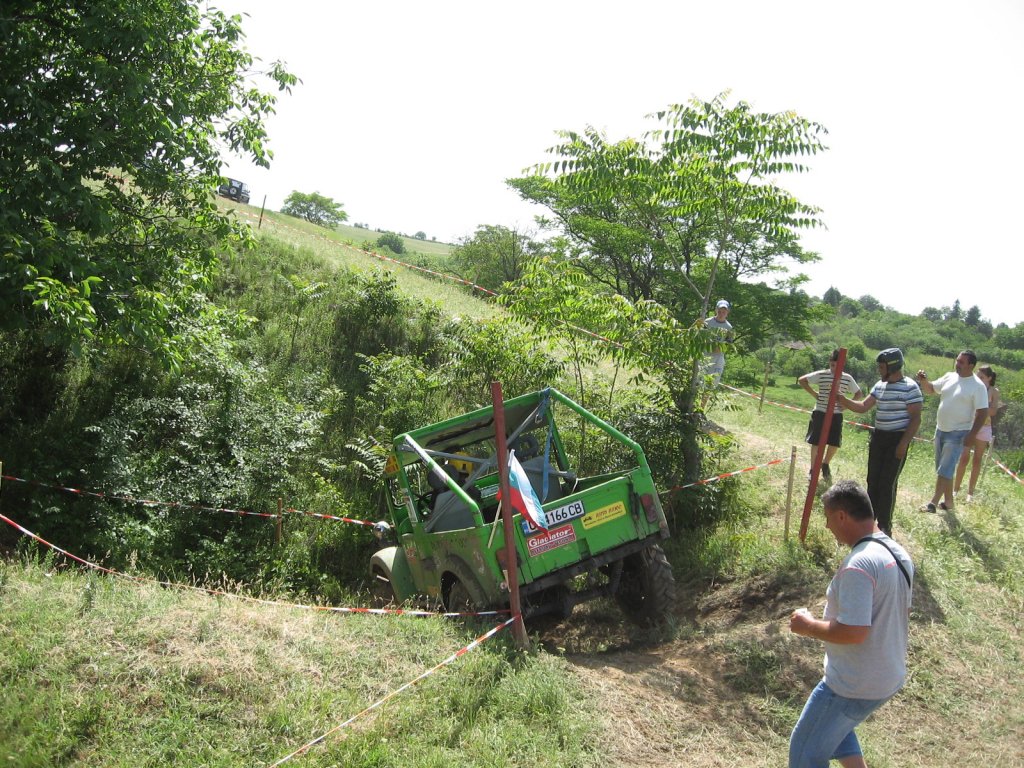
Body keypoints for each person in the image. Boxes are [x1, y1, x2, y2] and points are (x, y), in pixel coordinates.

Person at [788, 480, 913, 768]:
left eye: (829, 518)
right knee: (836, 730)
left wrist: (807, 625)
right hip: (886, 677)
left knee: (804, 754)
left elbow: (854, 632)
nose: (828, 526)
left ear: (842, 516)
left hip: (853, 684)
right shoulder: (897, 553)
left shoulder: (859, 565)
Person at [838, 348, 922, 536]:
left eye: (882, 367)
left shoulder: (910, 387)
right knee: (872, 480)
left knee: (887, 483)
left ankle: (885, 526)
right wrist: (843, 399)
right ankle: (869, 521)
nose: (879, 370)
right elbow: (863, 407)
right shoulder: (880, 385)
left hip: (897, 439)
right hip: (879, 438)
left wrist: (903, 443)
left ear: (892, 367)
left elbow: (916, 418)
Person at [915, 350, 989, 513]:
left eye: (962, 362)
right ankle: (949, 503)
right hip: (941, 429)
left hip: (959, 432)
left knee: (945, 469)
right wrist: (923, 380)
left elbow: (983, 412)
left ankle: (932, 504)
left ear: (971, 365)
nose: (957, 364)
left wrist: (971, 435)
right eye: (957, 361)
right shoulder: (950, 376)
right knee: (943, 470)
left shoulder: (977, 386)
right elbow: (931, 389)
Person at [799, 350, 863, 486]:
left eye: (837, 365)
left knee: (834, 443)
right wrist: (814, 394)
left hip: (836, 414)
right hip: (820, 411)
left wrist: (846, 405)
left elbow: (858, 394)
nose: (834, 368)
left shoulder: (847, 378)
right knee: (815, 441)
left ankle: (825, 463)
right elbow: (802, 380)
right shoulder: (822, 374)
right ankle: (812, 469)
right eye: (832, 365)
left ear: (842, 364)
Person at [953, 365, 1000, 503]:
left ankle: (970, 493)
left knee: (977, 460)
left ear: (989, 378)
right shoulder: (974, 387)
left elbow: (993, 411)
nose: (978, 379)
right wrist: (983, 408)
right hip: (969, 425)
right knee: (963, 458)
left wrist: (980, 407)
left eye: (982, 377)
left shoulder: (993, 391)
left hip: (984, 427)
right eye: (977, 376)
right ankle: (955, 489)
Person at [703, 299, 734, 386]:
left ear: (728, 312)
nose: (721, 313)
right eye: (720, 311)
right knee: (700, 380)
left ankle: (705, 399)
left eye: (724, 311)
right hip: (705, 355)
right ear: (716, 310)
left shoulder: (729, 327)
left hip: (718, 356)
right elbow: (700, 337)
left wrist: (720, 348)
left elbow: (729, 343)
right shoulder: (707, 322)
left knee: (712, 382)